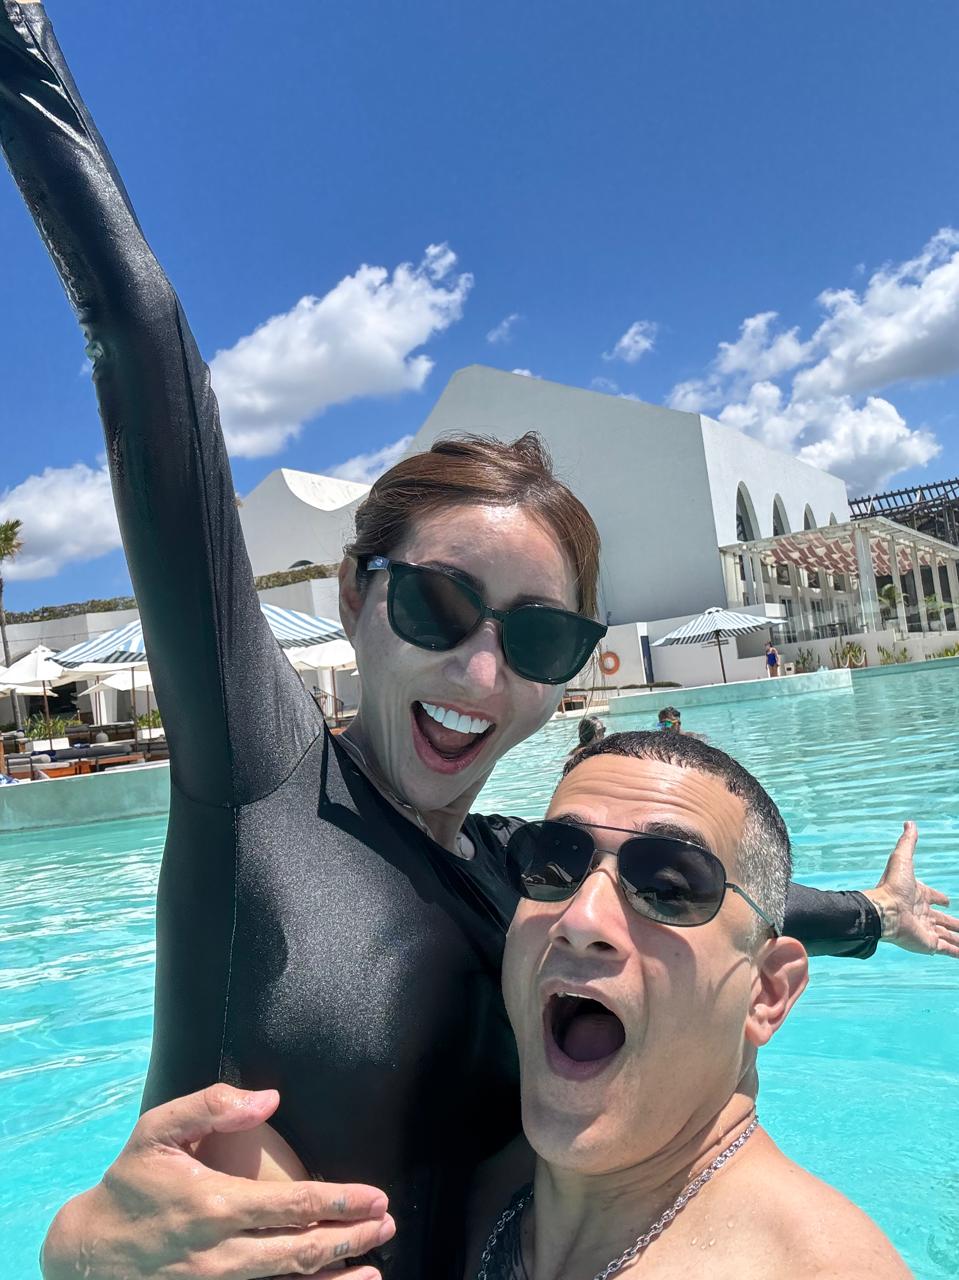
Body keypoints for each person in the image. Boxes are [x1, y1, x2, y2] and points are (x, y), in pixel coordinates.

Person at [2, 7, 956, 1279]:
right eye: (437, 608)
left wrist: (871, 916)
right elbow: (142, 342)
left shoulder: (527, 876)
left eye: (538, 634)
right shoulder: (267, 783)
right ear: (356, 595)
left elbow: (705, 893)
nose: (478, 670)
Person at [477, 732, 910, 1278]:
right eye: (553, 867)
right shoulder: (437, 1195)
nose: (581, 920)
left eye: (667, 890)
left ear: (766, 992)